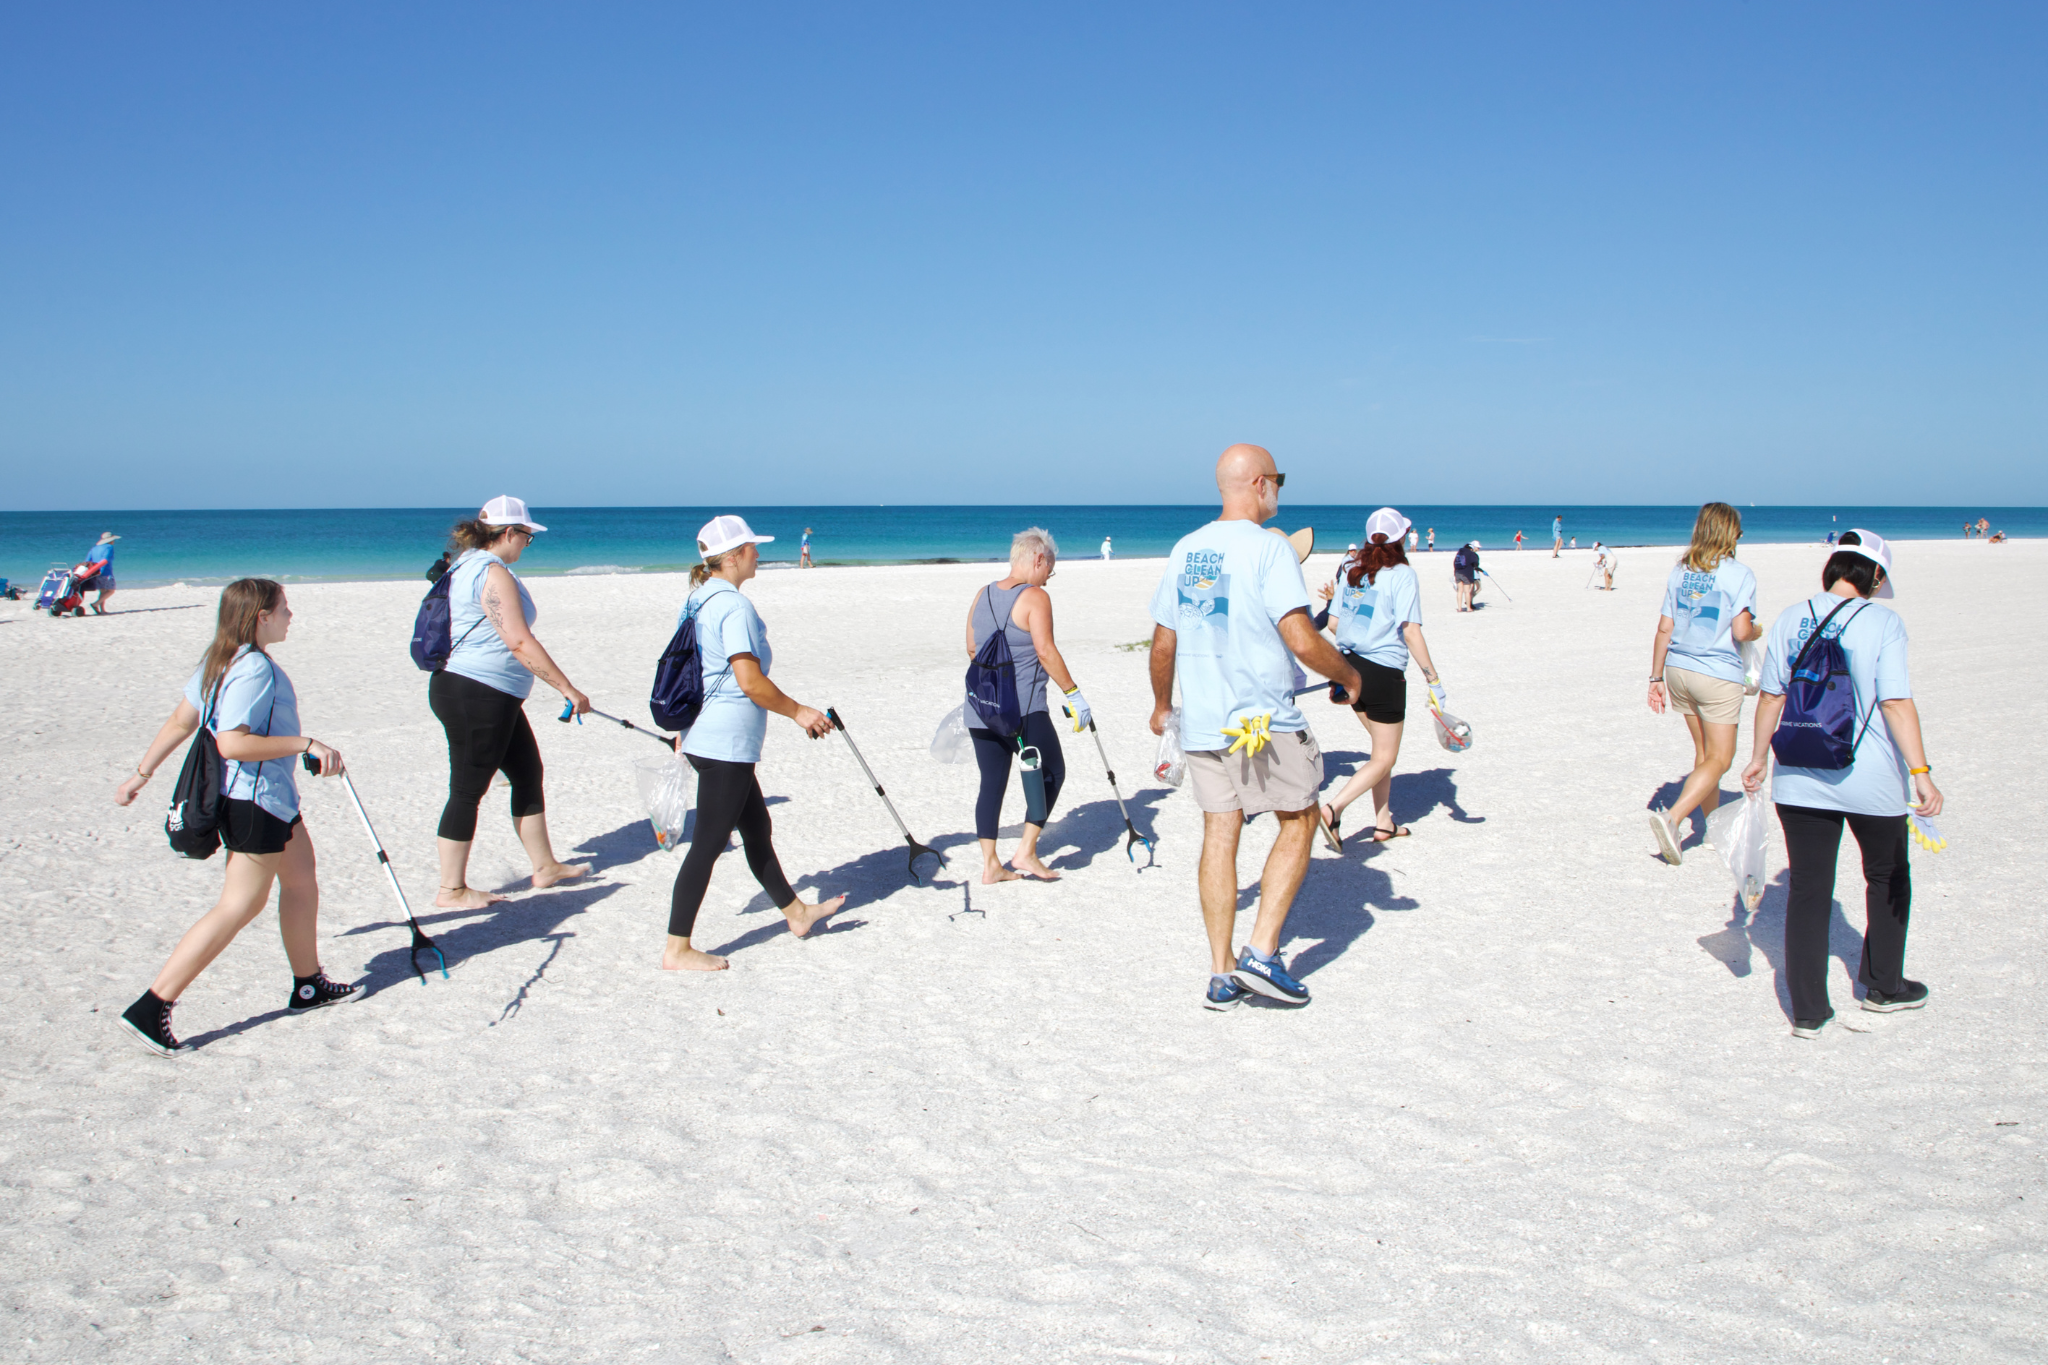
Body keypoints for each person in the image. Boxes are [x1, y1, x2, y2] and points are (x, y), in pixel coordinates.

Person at [1148, 445, 1362, 1011]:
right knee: (1301, 817)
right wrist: (1350, 674)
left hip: (1202, 722)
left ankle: (1221, 974)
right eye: (1279, 479)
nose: (1280, 490)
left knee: (1220, 832)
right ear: (1261, 483)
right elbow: (1301, 638)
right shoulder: (1269, 548)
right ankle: (1262, 954)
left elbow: (1164, 640)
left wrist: (1162, 706)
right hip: (1261, 722)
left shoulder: (1186, 549)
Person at [110, 579, 355, 1054]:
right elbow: (232, 743)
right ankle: (150, 1008)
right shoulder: (254, 668)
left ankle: (308, 984)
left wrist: (140, 774)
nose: (290, 616)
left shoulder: (221, 659)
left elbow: (182, 721)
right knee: (239, 904)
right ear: (261, 616)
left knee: (301, 880)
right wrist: (307, 743)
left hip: (270, 798)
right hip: (253, 800)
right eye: (284, 608)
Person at [1742, 530, 1942, 1037]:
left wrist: (1759, 758)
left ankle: (1809, 1012)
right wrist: (1921, 773)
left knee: (1809, 887)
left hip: (1799, 771)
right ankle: (1883, 987)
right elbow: (1894, 702)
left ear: (1832, 568)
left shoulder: (1791, 617)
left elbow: (1771, 696)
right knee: (1887, 875)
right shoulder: (1883, 621)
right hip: (1869, 776)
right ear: (1874, 575)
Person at [666, 515, 844, 970]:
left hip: (706, 734)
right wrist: (798, 711)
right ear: (732, 557)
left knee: (757, 827)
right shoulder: (733, 606)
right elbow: (750, 681)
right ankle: (677, 949)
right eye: (751, 548)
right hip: (724, 741)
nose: (758, 554)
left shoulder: (698, 598)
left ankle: (797, 913)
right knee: (708, 844)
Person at [429, 496, 592, 911]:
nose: (526, 544)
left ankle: (545, 866)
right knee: (467, 789)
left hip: (489, 694)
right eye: (527, 537)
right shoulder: (491, 572)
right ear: (508, 533)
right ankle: (451, 890)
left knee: (527, 772)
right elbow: (518, 641)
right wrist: (567, 688)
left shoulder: (464, 564)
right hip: (477, 693)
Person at [964, 528, 1090, 883]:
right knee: (1053, 772)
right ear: (1038, 559)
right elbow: (1045, 651)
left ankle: (991, 865)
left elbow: (972, 649)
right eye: (1050, 569)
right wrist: (1073, 694)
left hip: (981, 707)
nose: (1048, 578)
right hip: (1022, 711)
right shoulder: (1035, 597)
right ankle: (1026, 852)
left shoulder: (982, 593)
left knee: (992, 782)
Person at [1313, 508, 1444, 846]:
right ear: (1402, 538)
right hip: (1383, 673)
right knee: (1385, 757)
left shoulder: (1352, 570)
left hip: (1347, 669)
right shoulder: (1402, 574)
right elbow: (1410, 631)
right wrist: (1433, 679)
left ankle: (1384, 823)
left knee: (1380, 753)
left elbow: (1333, 624)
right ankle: (1332, 810)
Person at [1646, 503, 1760, 865]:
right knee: (1721, 758)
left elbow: (1664, 628)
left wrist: (1655, 677)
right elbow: (1741, 630)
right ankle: (1674, 818)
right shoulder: (1738, 574)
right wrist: (1757, 631)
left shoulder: (1681, 571)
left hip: (1678, 669)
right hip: (1716, 673)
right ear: (1730, 533)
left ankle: (1713, 831)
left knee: (1704, 754)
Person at [84, 532, 119, 613]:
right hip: (105, 572)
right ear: (110, 540)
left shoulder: (94, 548)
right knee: (111, 590)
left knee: (102, 591)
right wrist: (101, 571)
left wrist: (91, 572)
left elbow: (87, 561)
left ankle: (102, 610)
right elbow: (105, 559)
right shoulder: (109, 547)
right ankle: (95, 604)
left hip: (94, 572)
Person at [1452, 541, 1481, 611]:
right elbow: (1475, 564)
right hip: (1466, 573)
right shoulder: (1471, 554)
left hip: (1457, 572)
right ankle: (1468, 608)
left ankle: (1459, 608)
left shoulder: (1459, 553)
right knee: (1467, 591)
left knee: (1459, 591)